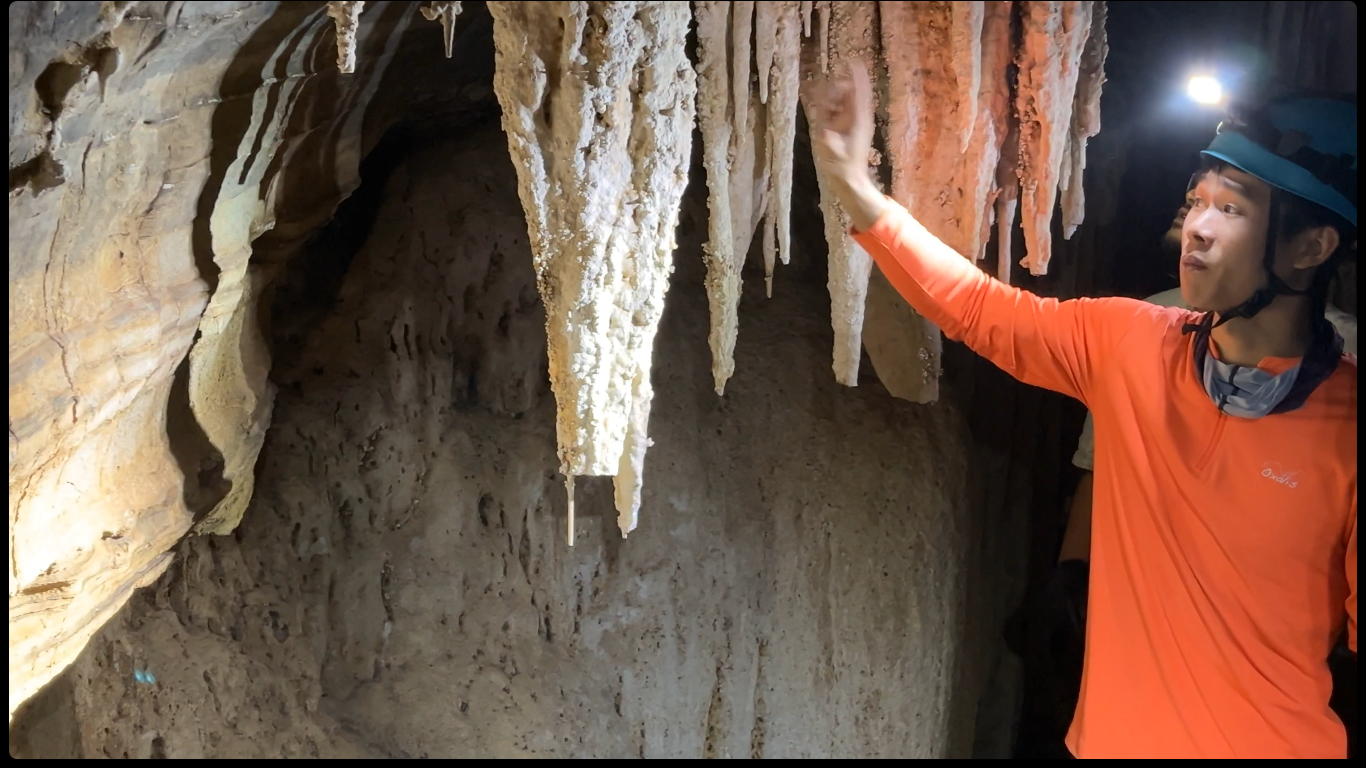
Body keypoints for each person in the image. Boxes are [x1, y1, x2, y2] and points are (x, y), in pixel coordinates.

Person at [810, 63, 1357, 759]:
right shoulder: (1132, 343)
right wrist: (859, 189)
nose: (1197, 228)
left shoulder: (1347, 425)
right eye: (1197, 201)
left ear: (1312, 247)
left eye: (1234, 208)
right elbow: (982, 311)